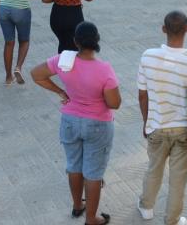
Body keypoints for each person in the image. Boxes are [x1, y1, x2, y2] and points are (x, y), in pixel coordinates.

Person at [31, 22, 120, 225]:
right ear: (97, 41)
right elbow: (114, 103)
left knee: (74, 166)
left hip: (70, 120)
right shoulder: (104, 69)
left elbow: (36, 74)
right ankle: (91, 219)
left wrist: (61, 91)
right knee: (94, 173)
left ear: (75, 42)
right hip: (98, 124)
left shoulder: (64, 60)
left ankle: (77, 206)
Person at [136, 11, 187, 225]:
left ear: (163, 29)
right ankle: (172, 220)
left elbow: (142, 94)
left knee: (153, 168)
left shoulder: (147, 56)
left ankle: (146, 207)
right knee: (178, 178)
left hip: (156, 126)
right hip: (183, 130)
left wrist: (146, 121)